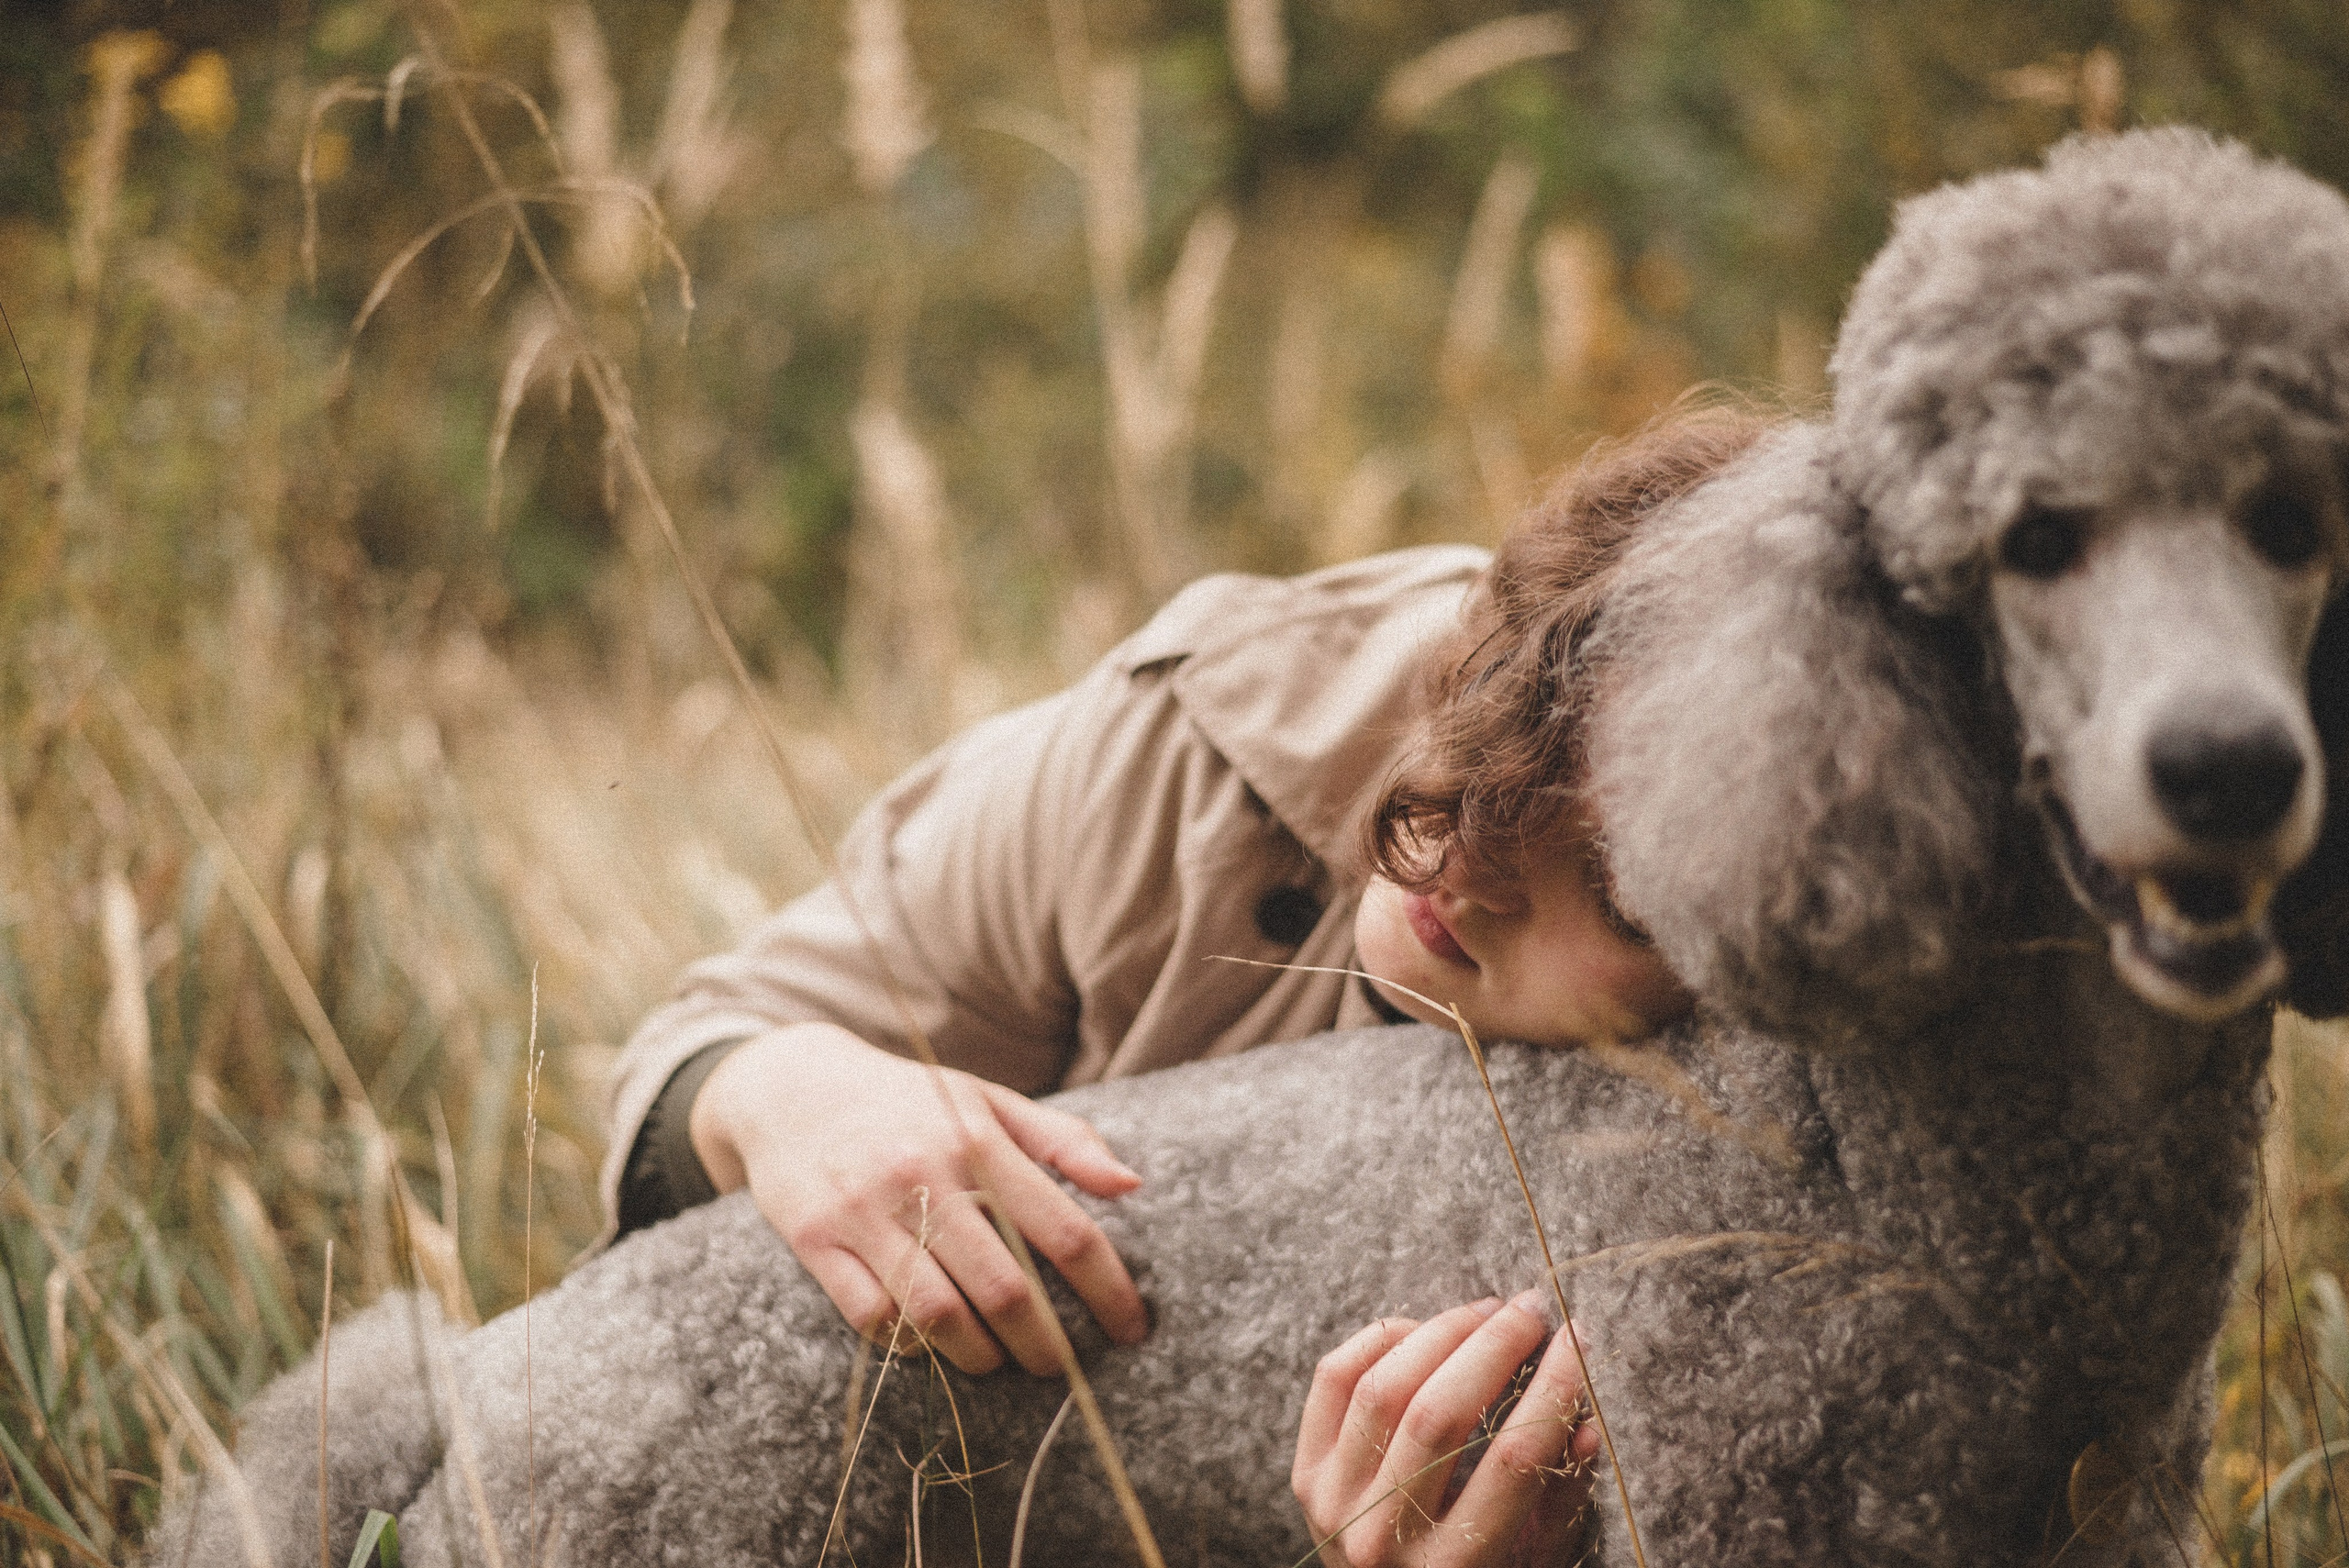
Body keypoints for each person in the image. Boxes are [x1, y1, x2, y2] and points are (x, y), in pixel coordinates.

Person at [603, 410, 1765, 1565]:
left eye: (1612, 885)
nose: (1462, 860)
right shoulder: (1194, 748)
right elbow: (691, 1065)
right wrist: (789, 1087)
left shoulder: (1802, 1133)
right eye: (1499, 712)